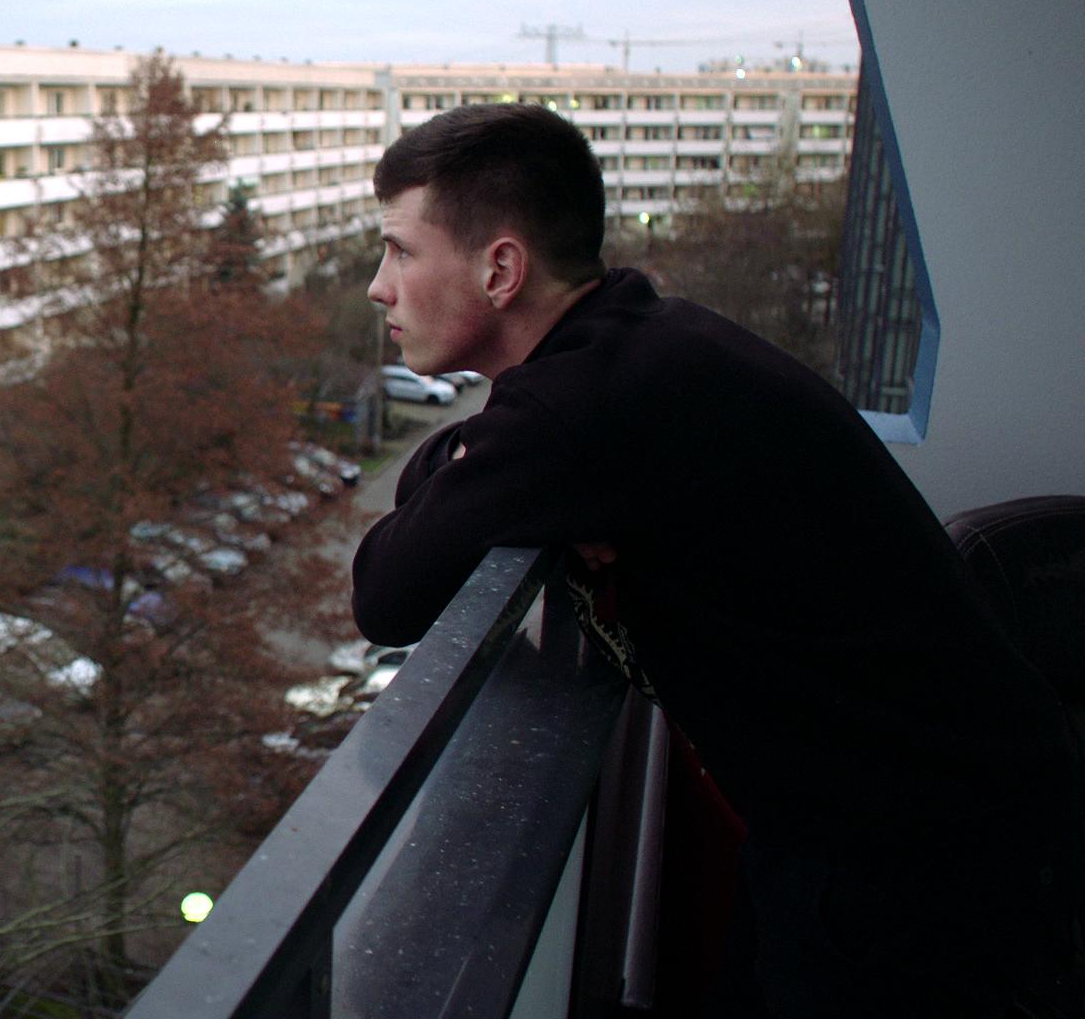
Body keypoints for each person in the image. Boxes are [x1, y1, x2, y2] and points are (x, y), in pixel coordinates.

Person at [350, 103, 1083, 1017]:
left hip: (913, 856)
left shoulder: (577, 412)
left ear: (500, 268)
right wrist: (475, 460)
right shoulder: (651, 342)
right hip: (927, 808)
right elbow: (452, 464)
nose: (380, 287)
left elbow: (384, 594)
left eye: (401, 251)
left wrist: (484, 463)